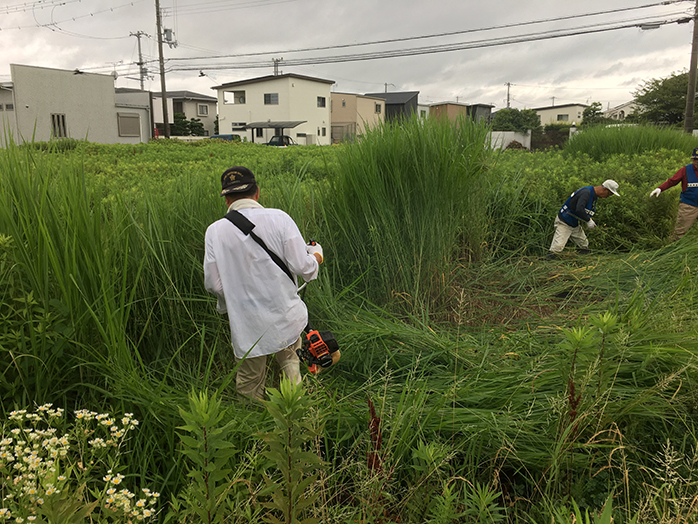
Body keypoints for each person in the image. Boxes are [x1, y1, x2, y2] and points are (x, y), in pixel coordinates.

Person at [203, 166, 324, 401]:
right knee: (290, 363)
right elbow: (303, 267)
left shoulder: (214, 232)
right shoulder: (280, 218)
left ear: (226, 199)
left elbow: (215, 285)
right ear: (257, 192)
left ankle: (253, 429)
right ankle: (294, 420)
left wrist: (237, 302)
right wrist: (316, 255)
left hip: (246, 323)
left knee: (249, 382)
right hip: (284, 313)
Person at [547, 179, 620, 260]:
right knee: (557, 248)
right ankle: (548, 264)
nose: (607, 197)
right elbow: (579, 209)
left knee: (584, 244)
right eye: (609, 195)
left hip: (574, 224)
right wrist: (588, 220)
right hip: (564, 222)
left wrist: (588, 221)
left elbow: (584, 211)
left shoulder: (594, 196)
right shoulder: (586, 193)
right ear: (605, 190)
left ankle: (579, 262)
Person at [649, 148, 698, 242]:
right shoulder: (685, 170)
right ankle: (673, 251)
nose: (697, 162)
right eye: (695, 160)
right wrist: (660, 188)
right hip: (688, 206)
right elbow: (672, 181)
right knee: (679, 233)